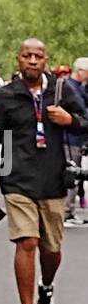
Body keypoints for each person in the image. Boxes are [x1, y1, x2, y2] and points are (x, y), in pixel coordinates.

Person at [0, 38, 88, 304]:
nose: (33, 61)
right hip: (18, 181)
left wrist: (70, 119)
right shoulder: (3, 97)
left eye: (38, 56)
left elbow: (85, 122)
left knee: (51, 250)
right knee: (26, 242)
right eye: (28, 56)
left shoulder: (62, 92)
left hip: (53, 181)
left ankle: (46, 287)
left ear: (46, 60)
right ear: (19, 59)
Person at [63, 58, 88, 223]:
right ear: (80, 71)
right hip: (70, 138)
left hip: (76, 138)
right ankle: (66, 211)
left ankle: (69, 210)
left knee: (75, 174)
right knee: (72, 174)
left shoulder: (78, 88)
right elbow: (81, 112)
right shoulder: (71, 88)